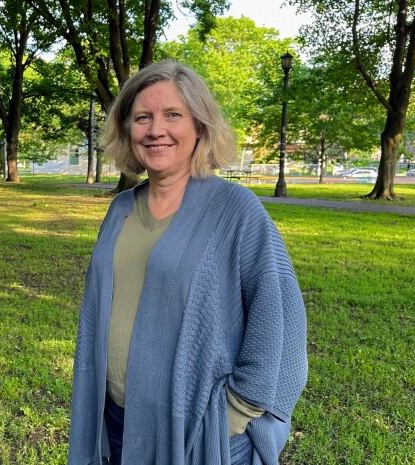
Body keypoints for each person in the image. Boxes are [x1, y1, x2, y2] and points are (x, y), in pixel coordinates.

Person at [67, 60, 308, 465]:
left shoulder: (236, 211)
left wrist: (237, 413)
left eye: (173, 115)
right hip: (115, 419)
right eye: (142, 117)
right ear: (128, 130)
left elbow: (281, 319)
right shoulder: (120, 209)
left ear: (199, 126)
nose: (156, 129)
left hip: (196, 428)